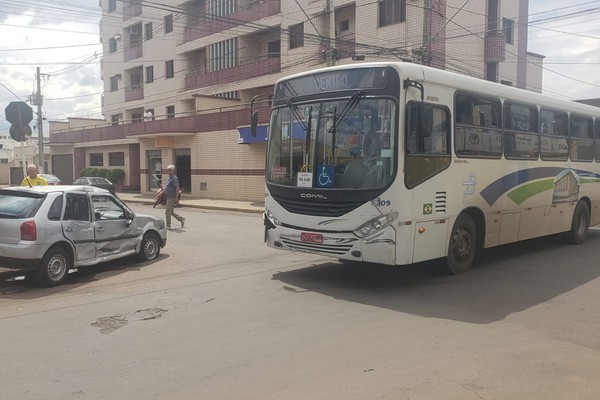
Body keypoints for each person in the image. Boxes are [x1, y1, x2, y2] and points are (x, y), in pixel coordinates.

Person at [164, 164, 185, 229]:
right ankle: (181, 219)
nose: (168, 172)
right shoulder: (169, 179)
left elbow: (177, 188)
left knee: (167, 211)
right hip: (168, 197)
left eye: (169, 170)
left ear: (172, 171)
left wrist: (176, 198)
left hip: (172, 197)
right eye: (167, 170)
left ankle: (168, 225)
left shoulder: (174, 178)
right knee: (171, 212)